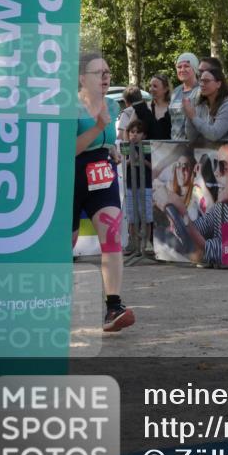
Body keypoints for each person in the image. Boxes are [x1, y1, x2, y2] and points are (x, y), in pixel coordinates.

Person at [73, 52, 134, 332]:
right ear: (81, 78)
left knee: (111, 238)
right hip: (72, 176)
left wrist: (111, 150)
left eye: (108, 72)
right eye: (99, 72)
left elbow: (108, 139)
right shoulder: (70, 107)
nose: (106, 77)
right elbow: (69, 150)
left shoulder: (111, 103)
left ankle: (113, 306)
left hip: (103, 174)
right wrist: (97, 127)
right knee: (66, 246)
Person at [185, 141, 228, 266]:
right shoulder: (220, 208)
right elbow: (199, 228)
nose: (216, 172)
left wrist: (181, 213)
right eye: (216, 165)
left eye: (223, 168)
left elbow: (222, 250)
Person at [184, 66, 228, 148]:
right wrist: (189, 116)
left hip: (223, 156)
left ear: (218, 84)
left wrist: (193, 117)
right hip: (202, 153)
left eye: (206, 81)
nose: (201, 84)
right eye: (201, 81)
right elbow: (191, 137)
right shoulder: (201, 105)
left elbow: (214, 134)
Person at [123, 119, 153, 253]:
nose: (134, 135)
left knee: (146, 217)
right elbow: (122, 166)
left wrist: (142, 159)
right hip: (131, 187)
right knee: (132, 217)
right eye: (132, 132)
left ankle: (146, 243)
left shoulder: (148, 147)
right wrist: (131, 159)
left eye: (138, 132)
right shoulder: (125, 147)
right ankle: (133, 243)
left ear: (144, 135)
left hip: (146, 186)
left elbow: (154, 166)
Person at [170, 52, 201, 141]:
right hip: (175, 145)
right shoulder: (175, 92)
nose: (182, 70)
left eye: (186, 66)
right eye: (179, 67)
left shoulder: (202, 90)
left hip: (196, 145)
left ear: (195, 68)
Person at [133, 73, 172, 140]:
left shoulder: (174, 108)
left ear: (165, 89)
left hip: (169, 149)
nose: (151, 89)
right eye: (150, 86)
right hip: (146, 150)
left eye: (155, 86)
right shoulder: (141, 108)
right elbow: (127, 130)